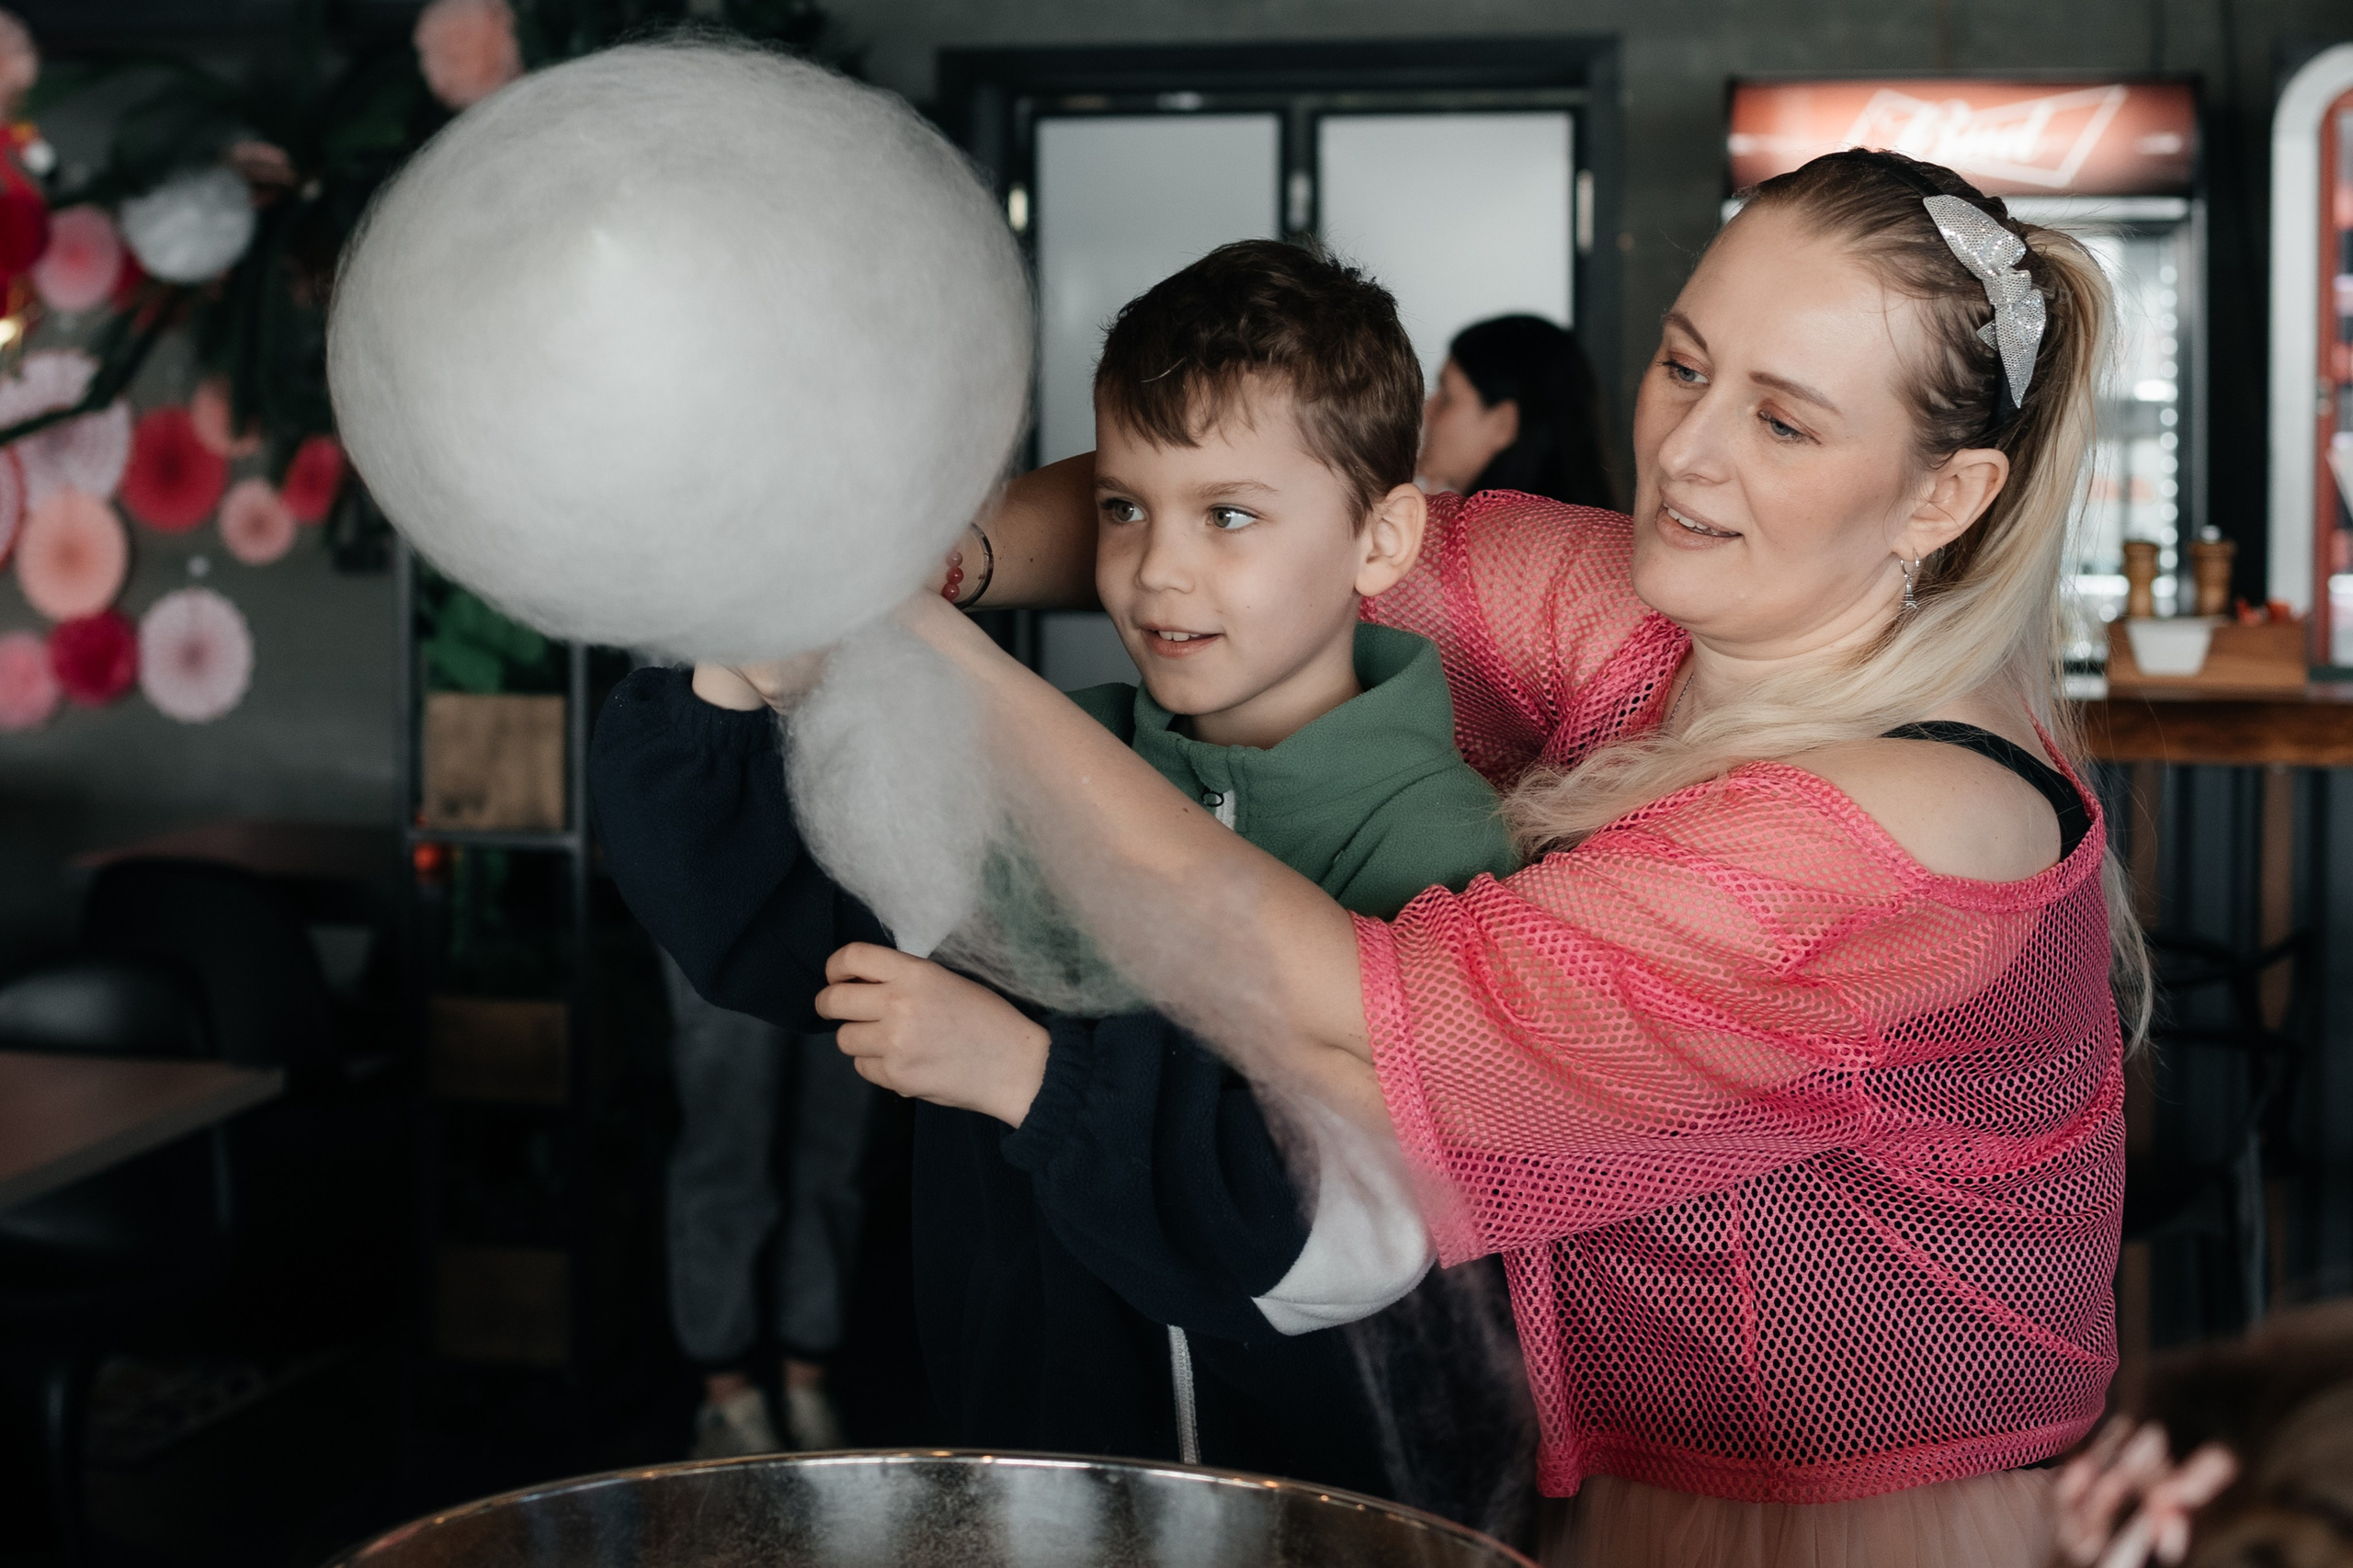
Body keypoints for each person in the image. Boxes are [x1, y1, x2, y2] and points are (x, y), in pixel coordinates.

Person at [853, 148, 2148, 1567]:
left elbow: (1330, 993)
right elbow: (1274, 505)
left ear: (1940, 499)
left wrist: (921, 655)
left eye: (1783, 423)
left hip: (1840, 1513)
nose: (1689, 451)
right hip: (1583, 1443)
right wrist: (941, 558)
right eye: (1684, 366)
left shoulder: (1911, 827)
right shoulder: (1665, 606)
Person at [592, 240, 1534, 1531]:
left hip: (1317, 1520)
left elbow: (1364, 1229)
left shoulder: (1436, 845)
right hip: (1031, 1479)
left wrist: (1030, 1076)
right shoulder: (1036, 762)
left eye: (1231, 513)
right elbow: (760, 920)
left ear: (1383, 537)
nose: (1159, 570)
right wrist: (736, 675)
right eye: (1125, 506)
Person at [657, 952, 868, 1457]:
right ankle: (728, 1400)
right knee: (728, 1146)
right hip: (723, 891)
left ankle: (807, 1391)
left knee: (834, 1147)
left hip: (857, 888)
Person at [1416, 314, 1619, 509]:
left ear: (1502, 424)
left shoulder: (1494, 536)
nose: (1427, 410)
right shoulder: (1581, 531)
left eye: (1447, 399)